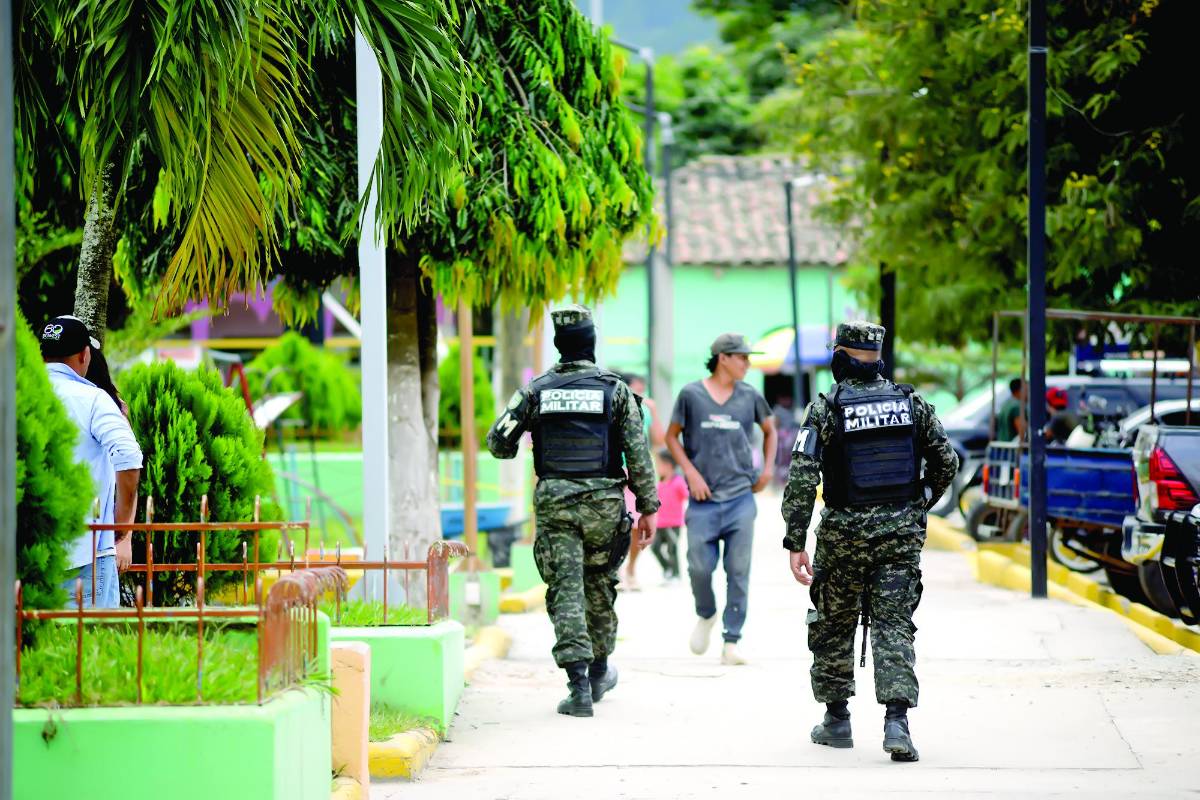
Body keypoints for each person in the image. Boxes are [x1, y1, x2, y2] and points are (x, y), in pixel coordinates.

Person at [782, 321, 958, 763]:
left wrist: (795, 540)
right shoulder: (911, 404)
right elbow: (946, 462)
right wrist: (920, 502)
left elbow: (801, 479)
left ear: (841, 356)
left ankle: (837, 719)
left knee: (833, 623)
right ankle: (897, 722)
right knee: (893, 624)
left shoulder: (825, 409)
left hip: (843, 539)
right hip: (899, 539)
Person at [486, 305, 659, 718]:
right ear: (591, 344)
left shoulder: (535, 391)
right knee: (599, 586)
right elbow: (638, 454)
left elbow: (499, 444)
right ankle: (599, 671)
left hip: (556, 506)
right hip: (604, 508)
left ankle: (578, 687)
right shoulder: (615, 391)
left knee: (566, 589)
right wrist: (648, 507)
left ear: (558, 344)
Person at [665, 333, 777, 666]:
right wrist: (690, 473)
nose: (747, 363)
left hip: (741, 496)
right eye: (742, 357)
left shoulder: (750, 395)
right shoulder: (691, 395)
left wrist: (767, 469)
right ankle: (706, 613)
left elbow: (770, 430)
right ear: (723, 358)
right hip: (703, 500)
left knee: (738, 571)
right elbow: (671, 437)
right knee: (699, 567)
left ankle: (731, 640)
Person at [41, 315, 143, 608]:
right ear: (85, 355)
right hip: (86, 554)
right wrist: (122, 524)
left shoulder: (17, 396)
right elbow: (128, 455)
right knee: (90, 635)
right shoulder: (93, 399)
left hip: (25, 553)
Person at [619, 373, 664, 591]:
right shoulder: (617, 406)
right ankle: (618, 569)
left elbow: (659, 441)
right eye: (637, 389)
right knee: (619, 524)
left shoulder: (644, 411)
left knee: (638, 524)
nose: (641, 394)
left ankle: (631, 568)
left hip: (639, 473)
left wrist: (653, 411)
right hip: (617, 470)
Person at [650, 449, 687, 582]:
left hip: (674, 524)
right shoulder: (659, 484)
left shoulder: (678, 482)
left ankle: (676, 574)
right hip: (660, 524)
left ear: (668, 465)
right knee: (655, 548)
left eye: (659, 465)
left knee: (672, 549)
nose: (658, 468)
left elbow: (687, 496)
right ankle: (668, 569)